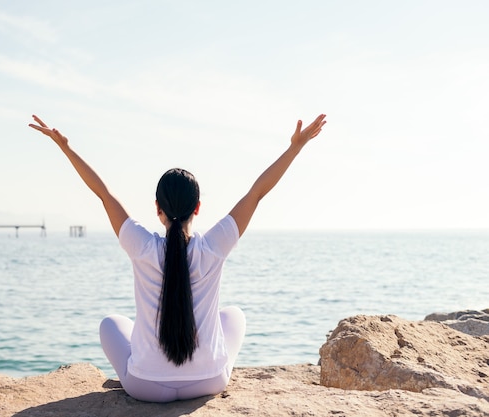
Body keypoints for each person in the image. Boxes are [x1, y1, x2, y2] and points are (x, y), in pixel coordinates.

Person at [29, 113, 326, 402]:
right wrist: (295, 147)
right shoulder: (214, 246)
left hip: (145, 386)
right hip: (209, 382)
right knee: (234, 316)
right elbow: (257, 192)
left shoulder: (141, 246)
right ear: (197, 208)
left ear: (157, 208)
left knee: (110, 323)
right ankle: (205, 362)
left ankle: (152, 362)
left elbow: (103, 194)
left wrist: (65, 148)